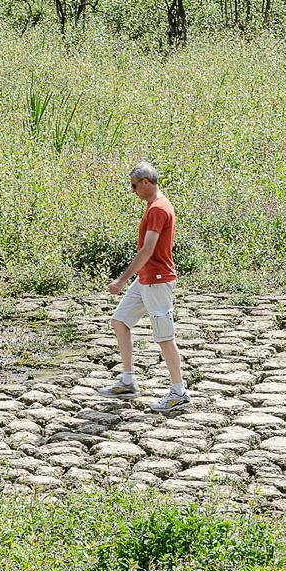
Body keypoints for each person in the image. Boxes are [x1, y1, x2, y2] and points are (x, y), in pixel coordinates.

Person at [97, 161, 188, 412]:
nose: (133, 191)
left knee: (164, 337)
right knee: (120, 321)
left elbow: (148, 249)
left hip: (157, 280)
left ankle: (178, 392)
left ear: (146, 183)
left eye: (134, 186)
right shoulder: (153, 206)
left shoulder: (158, 209)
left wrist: (121, 280)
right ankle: (127, 381)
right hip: (146, 279)